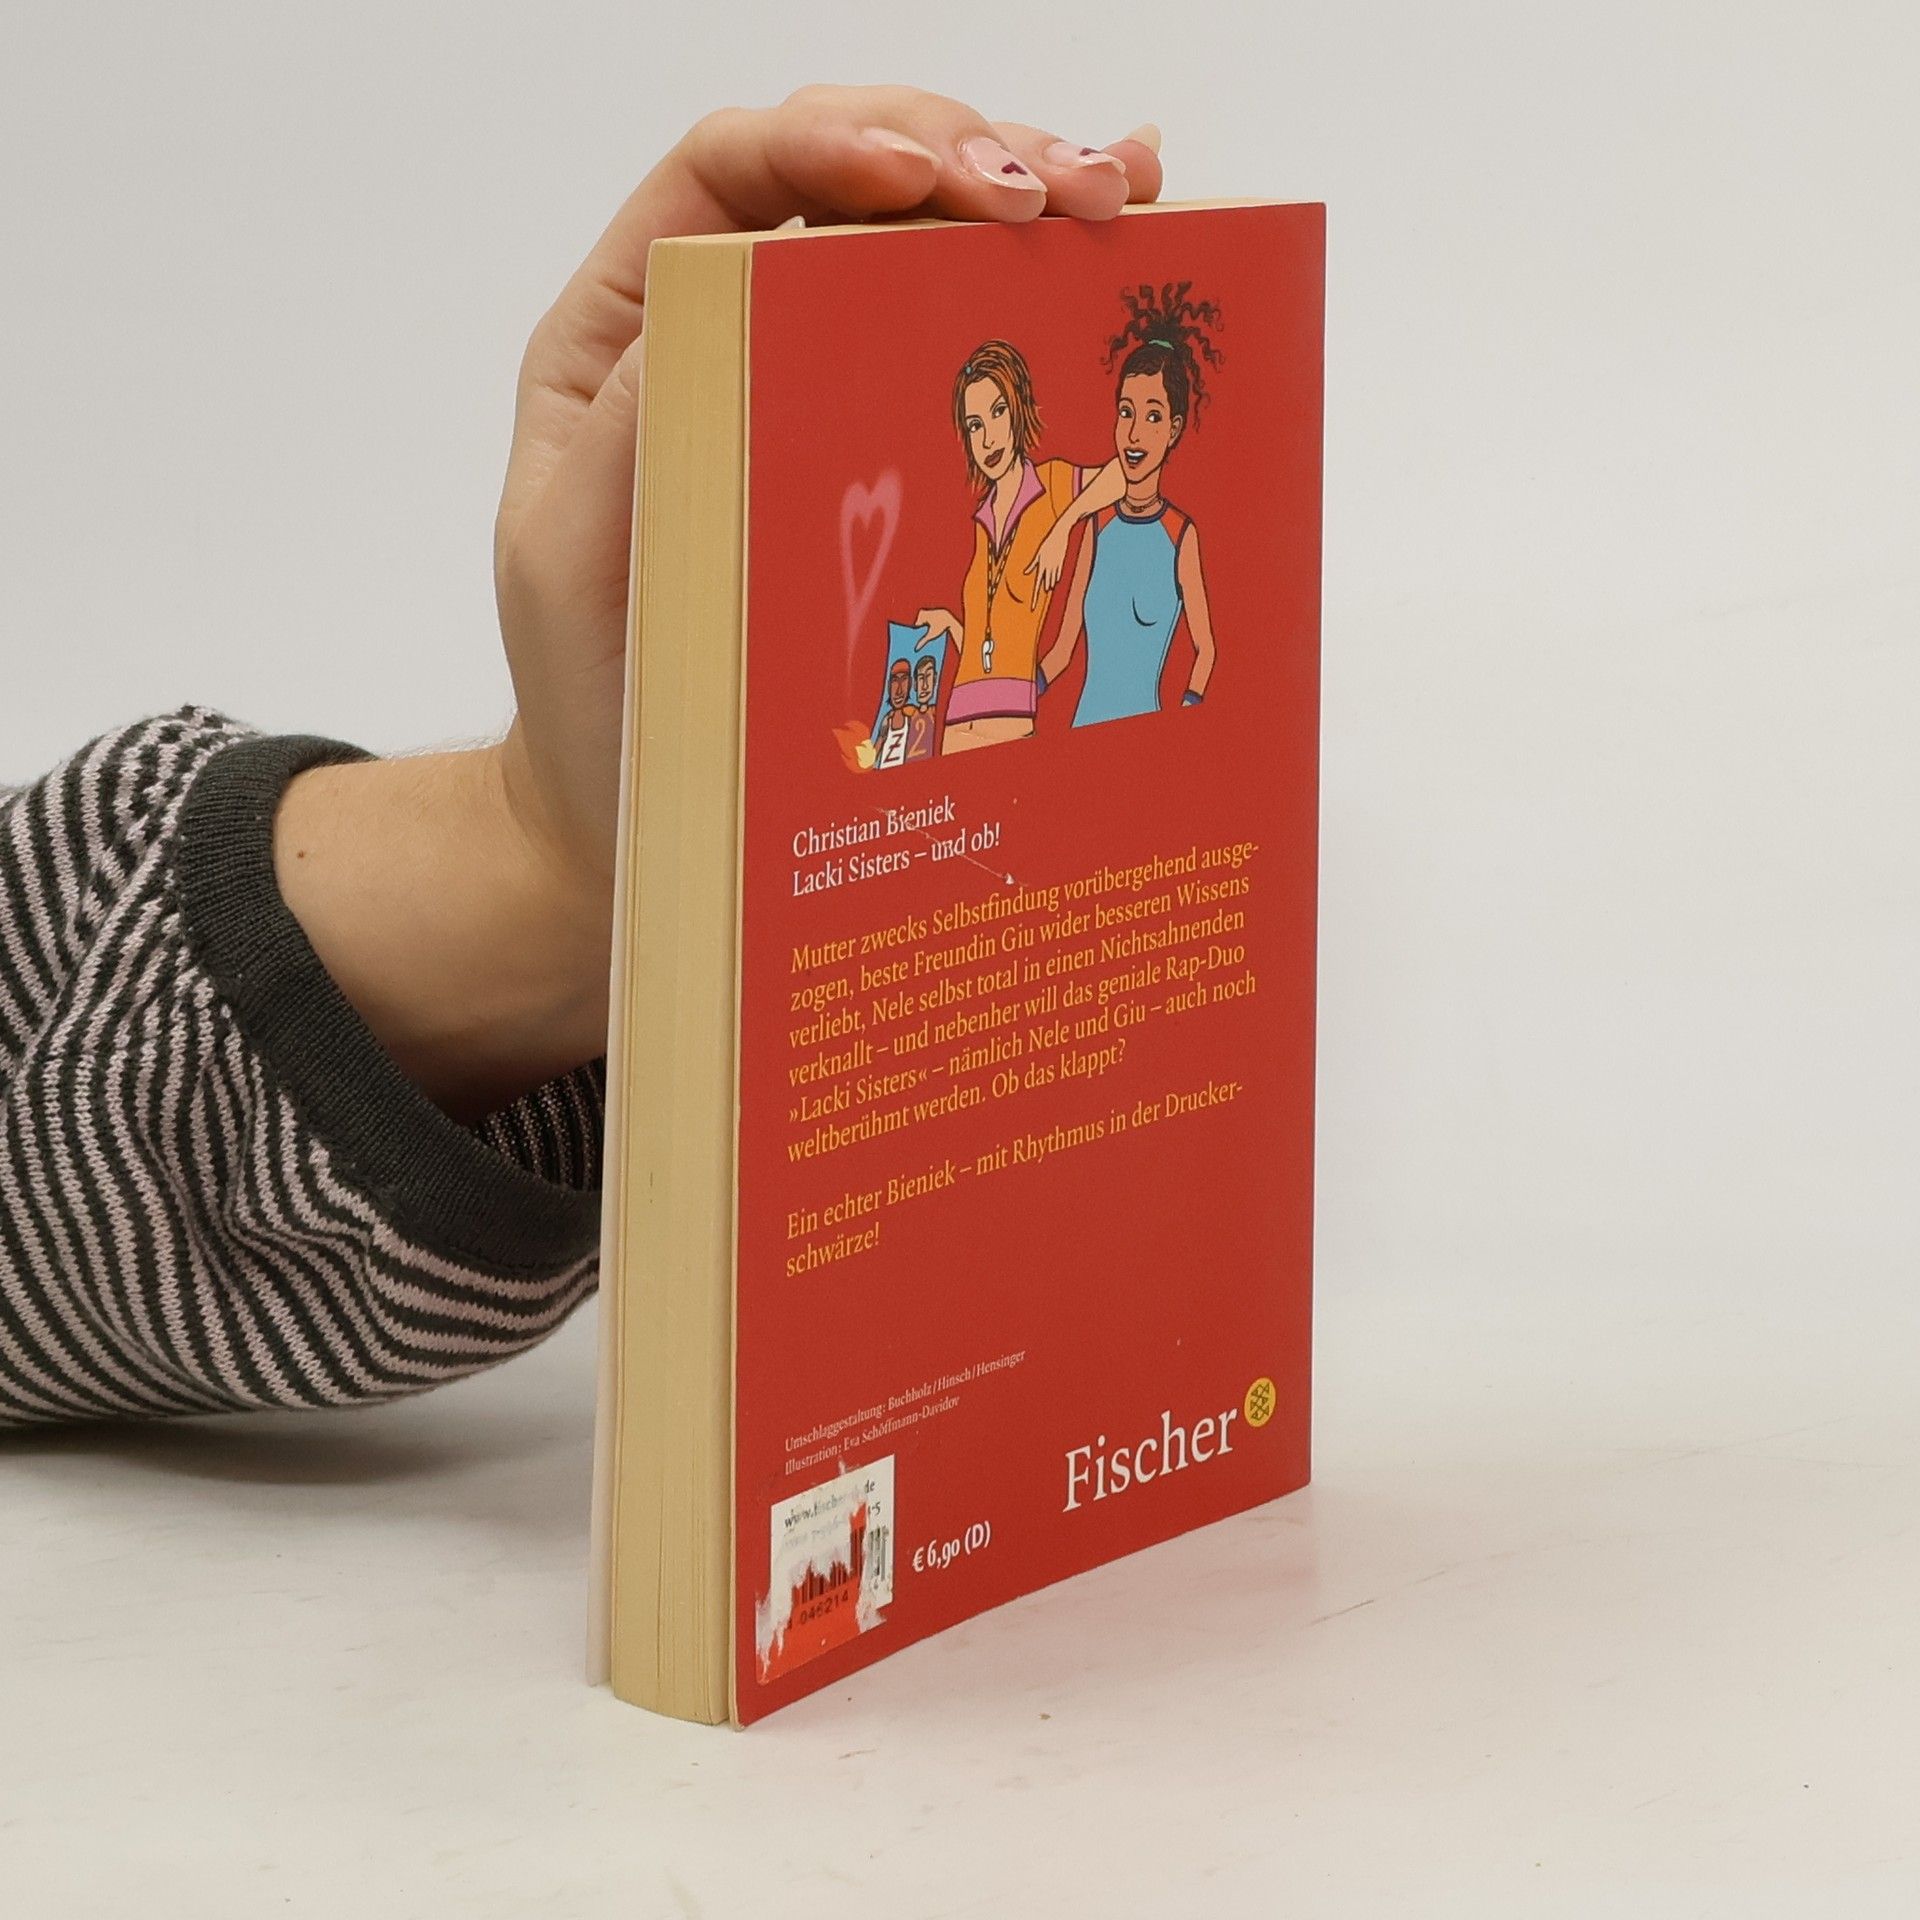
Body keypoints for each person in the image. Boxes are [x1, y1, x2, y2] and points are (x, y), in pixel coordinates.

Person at [0, 88, 1164, 1428]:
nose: (984, 442)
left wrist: (564, 866)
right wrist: (566, 864)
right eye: (974, 425)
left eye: (991, 420)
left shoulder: (1064, 501)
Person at [911, 341, 1128, 754]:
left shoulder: (1052, 484)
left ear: (1018, 410)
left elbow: (1121, 474)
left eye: (998, 412)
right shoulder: (982, 522)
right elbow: (989, 648)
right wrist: (952, 625)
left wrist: (1063, 526)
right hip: (955, 727)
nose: (988, 438)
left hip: (1010, 726)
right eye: (975, 425)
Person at [1037, 284, 1220, 726]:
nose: (1135, 433)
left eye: (1153, 415)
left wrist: (1188, 710)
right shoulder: (1095, 529)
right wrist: (1011, 702)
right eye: (1126, 412)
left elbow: (1206, 650)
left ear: (1174, 429)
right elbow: (1061, 653)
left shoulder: (1180, 536)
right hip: (1082, 728)